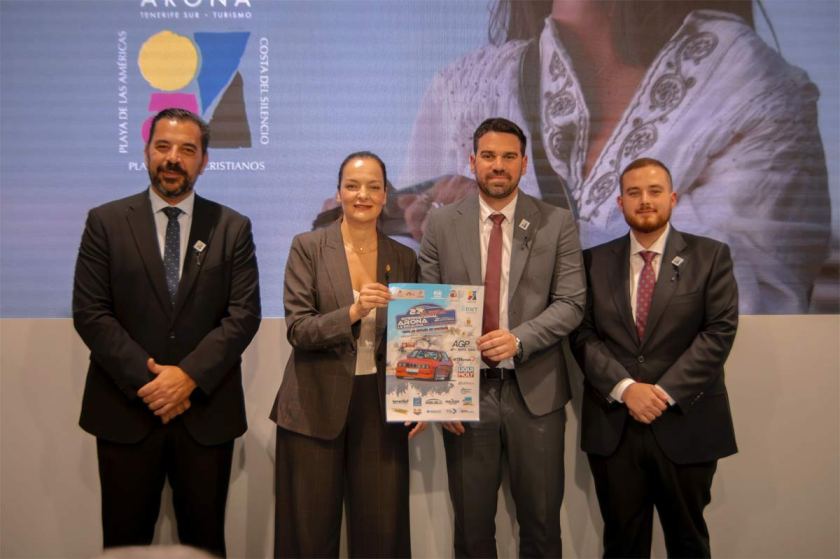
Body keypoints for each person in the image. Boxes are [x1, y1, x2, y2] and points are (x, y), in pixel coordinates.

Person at [400, 0, 830, 314]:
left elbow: (746, 304)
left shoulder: (752, 87)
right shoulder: (462, 90)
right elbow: (420, 305)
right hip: (495, 405)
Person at [73, 108, 262, 557]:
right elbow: (91, 313)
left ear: (204, 161)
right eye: (163, 146)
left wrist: (188, 377)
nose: (173, 158)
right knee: (123, 544)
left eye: (187, 149)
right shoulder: (105, 222)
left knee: (205, 543)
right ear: (146, 153)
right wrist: (154, 383)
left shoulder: (232, 227)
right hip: (125, 411)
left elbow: (243, 315)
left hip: (205, 415)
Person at [418, 118, 585, 558]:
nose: (498, 165)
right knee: (472, 532)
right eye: (489, 156)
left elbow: (572, 302)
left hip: (537, 395)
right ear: (471, 161)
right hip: (465, 397)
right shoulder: (441, 224)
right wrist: (440, 398)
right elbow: (428, 308)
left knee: (542, 529)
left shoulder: (556, 222)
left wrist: (519, 340)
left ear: (524, 164)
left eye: (509, 157)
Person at [571, 157, 738, 557]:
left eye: (654, 191)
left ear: (673, 198)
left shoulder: (711, 256)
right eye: (634, 193)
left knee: (688, 542)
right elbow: (581, 333)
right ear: (620, 202)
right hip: (615, 427)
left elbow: (718, 333)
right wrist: (626, 388)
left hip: (686, 422)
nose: (644, 200)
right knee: (622, 544)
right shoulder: (592, 262)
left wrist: (661, 393)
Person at [270, 152, 424, 558]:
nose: (362, 195)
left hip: (380, 406)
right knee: (308, 536)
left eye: (373, 186)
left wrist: (421, 399)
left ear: (386, 195)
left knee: (382, 534)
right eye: (353, 186)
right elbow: (298, 329)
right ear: (338, 192)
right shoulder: (308, 247)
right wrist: (353, 312)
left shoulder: (404, 256)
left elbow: (415, 337)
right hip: (313, 403)